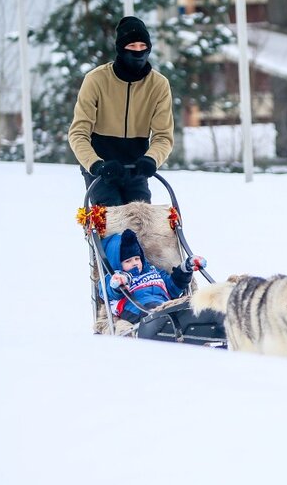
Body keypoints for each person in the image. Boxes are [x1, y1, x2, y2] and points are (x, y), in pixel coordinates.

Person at [69, 16, 174, 207]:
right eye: (132, 46)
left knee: (141, 221)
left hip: (136, 168)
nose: (138, 52)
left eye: (143, 46)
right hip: (101, 167)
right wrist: (95, 164)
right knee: (111, 218)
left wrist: (151, 159)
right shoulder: (96, 80)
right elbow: (78, 133)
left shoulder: (158, 85)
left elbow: (163, 136)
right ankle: (112, 238)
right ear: (120, 48)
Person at [102, 229, 206, 324]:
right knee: (154, 309)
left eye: (137, 258)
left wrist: (185, 269)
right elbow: (108, 291)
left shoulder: (154, 271)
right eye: (128, 261)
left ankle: (204, 319)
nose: (134, 263)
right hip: (137, 308)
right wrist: (118, 284)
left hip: (164, 305)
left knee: (187, 306)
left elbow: (172, 287)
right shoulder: (114, 277)